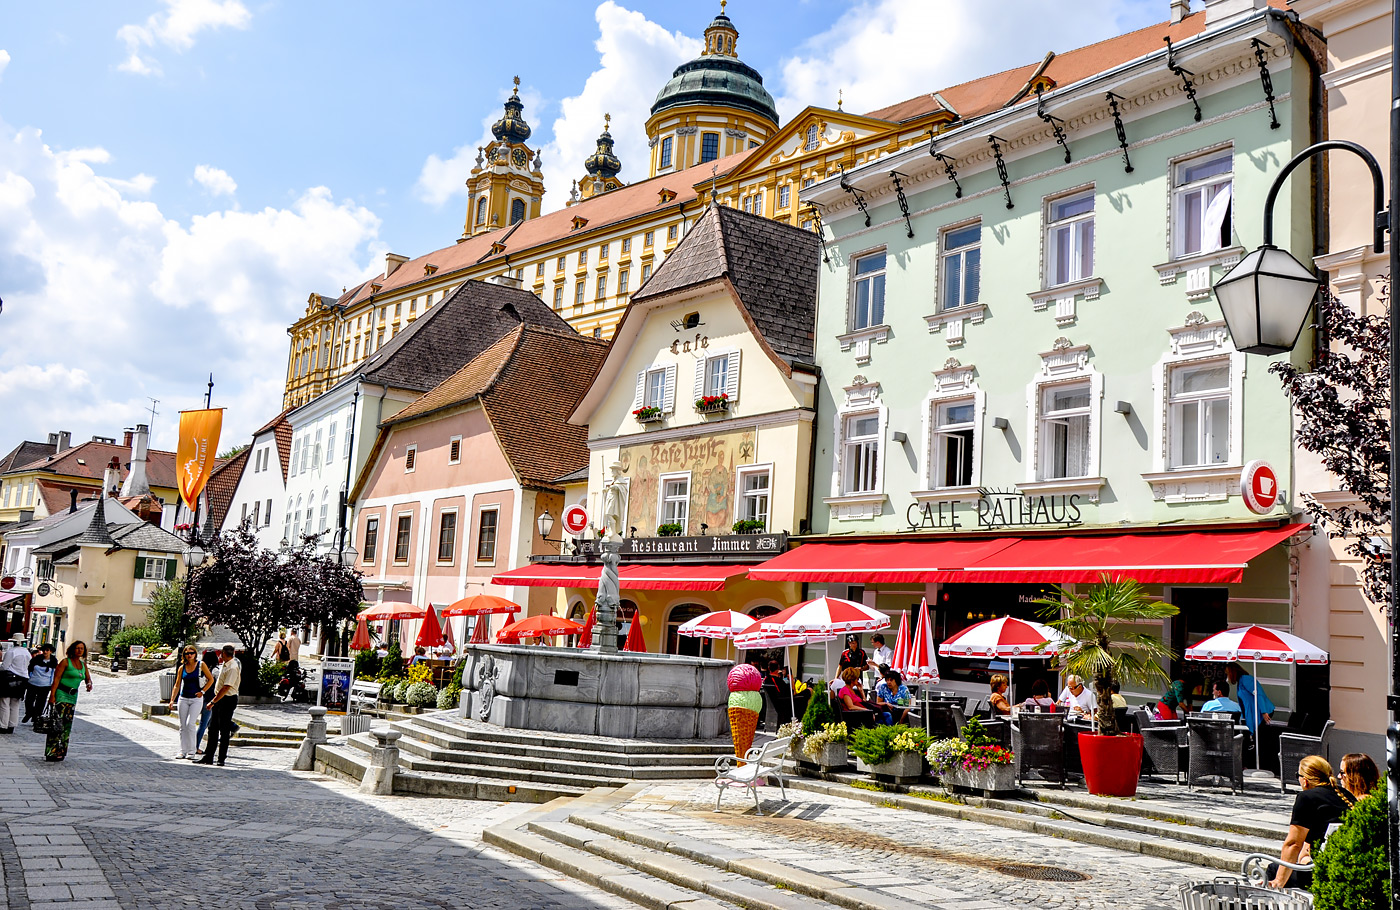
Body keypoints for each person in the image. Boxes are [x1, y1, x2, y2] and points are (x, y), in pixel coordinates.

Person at [1269, 755, 1355, 890]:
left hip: (1324, 872)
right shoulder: (1345, 795)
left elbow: (1293, 844)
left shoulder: (1307, 798)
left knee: (1273, 869)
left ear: (1305, 780)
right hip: (1348, 869)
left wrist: (1278, 881)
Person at [44, 640, 92, 761]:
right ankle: (51, 752)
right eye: (77, 648)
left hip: (72, 697)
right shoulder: (66, 662)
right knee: (56, 724)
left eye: (82, 648)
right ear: (72, 649)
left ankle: (61, 751)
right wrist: (52, 696)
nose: (79, 650)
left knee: (66, 725)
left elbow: (87, 678)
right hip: (61, 694)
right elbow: (56, 679)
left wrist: (89, 684)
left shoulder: (83, 665)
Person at [198, 645, 242, 767]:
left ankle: (221, 758)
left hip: (227, 699)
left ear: (224, 653)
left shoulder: (232, 667)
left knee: (224, 729)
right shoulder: (226, 664)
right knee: (213, 728)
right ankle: (209, 756)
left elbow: (226, 687)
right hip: (220, 698)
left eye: (221, 653)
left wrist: (213, 701)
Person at [167, 645, 213, 759]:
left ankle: (192, 750)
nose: (189, 655)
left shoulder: (201, 665)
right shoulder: (182, 668)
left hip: (196, 699)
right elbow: (177, 685)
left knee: (190, 724)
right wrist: (172, 700)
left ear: (195, 654)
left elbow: (211, 679)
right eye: (187, 654)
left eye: (191, 653)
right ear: (184, 655)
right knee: (183, 725)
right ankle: (183, 750)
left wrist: (202, 691)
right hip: (184, 698)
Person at [1226, 663, 1273, 734]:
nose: (1227, 677)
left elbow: (1258, 693)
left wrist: (1263, 711)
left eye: (1227, 674)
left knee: (1259, 735)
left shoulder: (1245, 679)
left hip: (1261, 712)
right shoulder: (1240, 682)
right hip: (1254, 712)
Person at [0, 636, 31, 733]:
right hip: (23, 679)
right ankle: (12, 725)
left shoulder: (11, 652)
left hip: (10, 679)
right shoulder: (27, 652)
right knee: (15, 703)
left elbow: (5, 666)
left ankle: (3, 725)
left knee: (5, 702)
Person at [23, 642, 58, 725]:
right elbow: (30, 669)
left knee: (41, 702)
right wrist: (30, 677)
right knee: (28, 700)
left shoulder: (53, 661)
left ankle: (36, 718)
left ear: (51, 651)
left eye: (47, 650)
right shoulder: (36, 659)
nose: (45, 652)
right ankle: (28, 713)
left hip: (45, 685)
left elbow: (54, 673)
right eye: (44, 650)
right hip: (33, 683)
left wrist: (52, 684)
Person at [193, 648, 219, 755]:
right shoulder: (215, 670)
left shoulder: (200, 669)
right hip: (209, 699)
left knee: (205, 723)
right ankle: (195, 746)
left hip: (199, 698)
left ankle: (194, 745)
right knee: (204, 724)